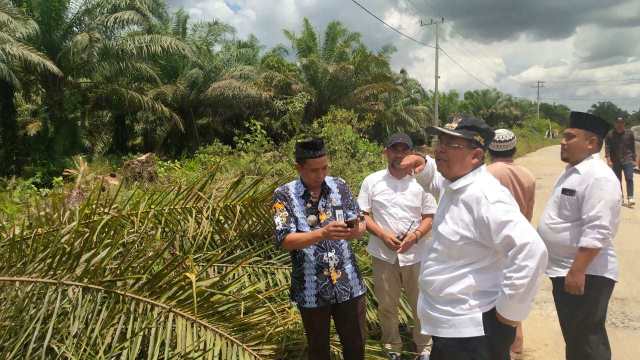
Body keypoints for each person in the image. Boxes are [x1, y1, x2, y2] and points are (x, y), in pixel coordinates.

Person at [400, 117, 548, 360]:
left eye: (452, 145)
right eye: (440, 142)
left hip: (472, 335)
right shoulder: (457, 184)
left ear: (476, 156)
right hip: (452, 327)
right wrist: (423, 163)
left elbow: (531, 251)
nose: (440, 149)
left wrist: (508, 314)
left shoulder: (485, 196)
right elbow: (436, 182)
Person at [272, 138, 368, 360]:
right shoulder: (284, 195)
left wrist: (357, 230)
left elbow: (360, 221)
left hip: (349, 283)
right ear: (298, 167)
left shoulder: (340, 185)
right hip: (311, 287)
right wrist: (321, 234)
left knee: (356, 345)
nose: (321, 174)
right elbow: (284, 239)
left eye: (325, 167)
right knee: (318, 349)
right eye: (314, 170)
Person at [538, 111, 621, 360]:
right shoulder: (575, 171)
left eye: (570, 137)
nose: (563, 142)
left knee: (587, 341)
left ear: (591, 143)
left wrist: (577, 270)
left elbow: (599, 228)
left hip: (586, 274)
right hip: (566, 269)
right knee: (575, 338)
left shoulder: (598, 177)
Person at [358, 133, 437, 360]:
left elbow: (429, 216)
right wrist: (382, 234)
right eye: (395, 149)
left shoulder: (422, 182)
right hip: (384, 254)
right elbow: (363, 215)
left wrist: (416, 235)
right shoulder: (372, 181)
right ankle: (392, 347)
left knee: (420, 304)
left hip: (417, 254)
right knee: (386, 305)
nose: (399, 154)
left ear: (411, 154)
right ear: (386, 152)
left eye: (405, 150)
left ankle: (424, 348)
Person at [486, 129, 536, 360]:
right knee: (514, 293)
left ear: (488, 149)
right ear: (514, 149)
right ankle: (516, 345)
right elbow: (528, 214)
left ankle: (499, 347)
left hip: (493, 246)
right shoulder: (527, 175)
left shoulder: (487, 175)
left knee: (493, 297)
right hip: (517, 243)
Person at [605, 116, 637, 206]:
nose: (620, 125)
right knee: (617, 180)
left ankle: (630, 197)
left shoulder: (629, 134)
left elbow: (632, 147)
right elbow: (607, 148)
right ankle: (620, 197)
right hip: (615, 160)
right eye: (618, 123)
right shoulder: (610, 134)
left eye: (621, 123)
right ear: (615, 124)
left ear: (624, 124)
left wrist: (634, 159)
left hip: (628, 159)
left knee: (629, 178)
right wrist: (608, 159)